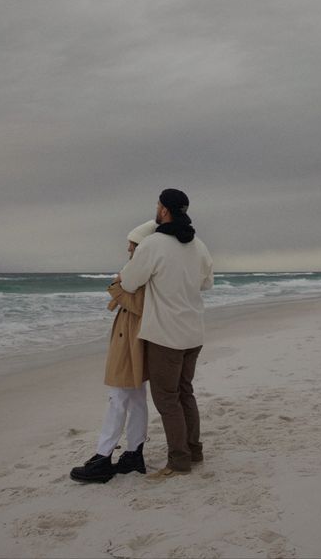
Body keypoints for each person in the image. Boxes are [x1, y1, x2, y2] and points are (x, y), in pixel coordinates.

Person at [117, 189, 213, 479]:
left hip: (166, 336)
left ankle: (179, 461)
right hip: (193, 332)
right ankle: (193, 451)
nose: (156, 211)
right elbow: (207, 283)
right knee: (185, 393)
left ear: (164, 212)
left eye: (158, 207)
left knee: (167, 398)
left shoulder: (153, 244)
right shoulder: (198, 245)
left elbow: (130, 283)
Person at [70, 220, 156, 484]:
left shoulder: (140, 270)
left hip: (131, 339)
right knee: (135, 397)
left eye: (131, 243)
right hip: (136, 338)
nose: (127, 247)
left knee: (118, 399)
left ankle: (103, 457)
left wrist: (116, 287)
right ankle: (132, 454)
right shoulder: (145, 268)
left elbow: (139, 303)